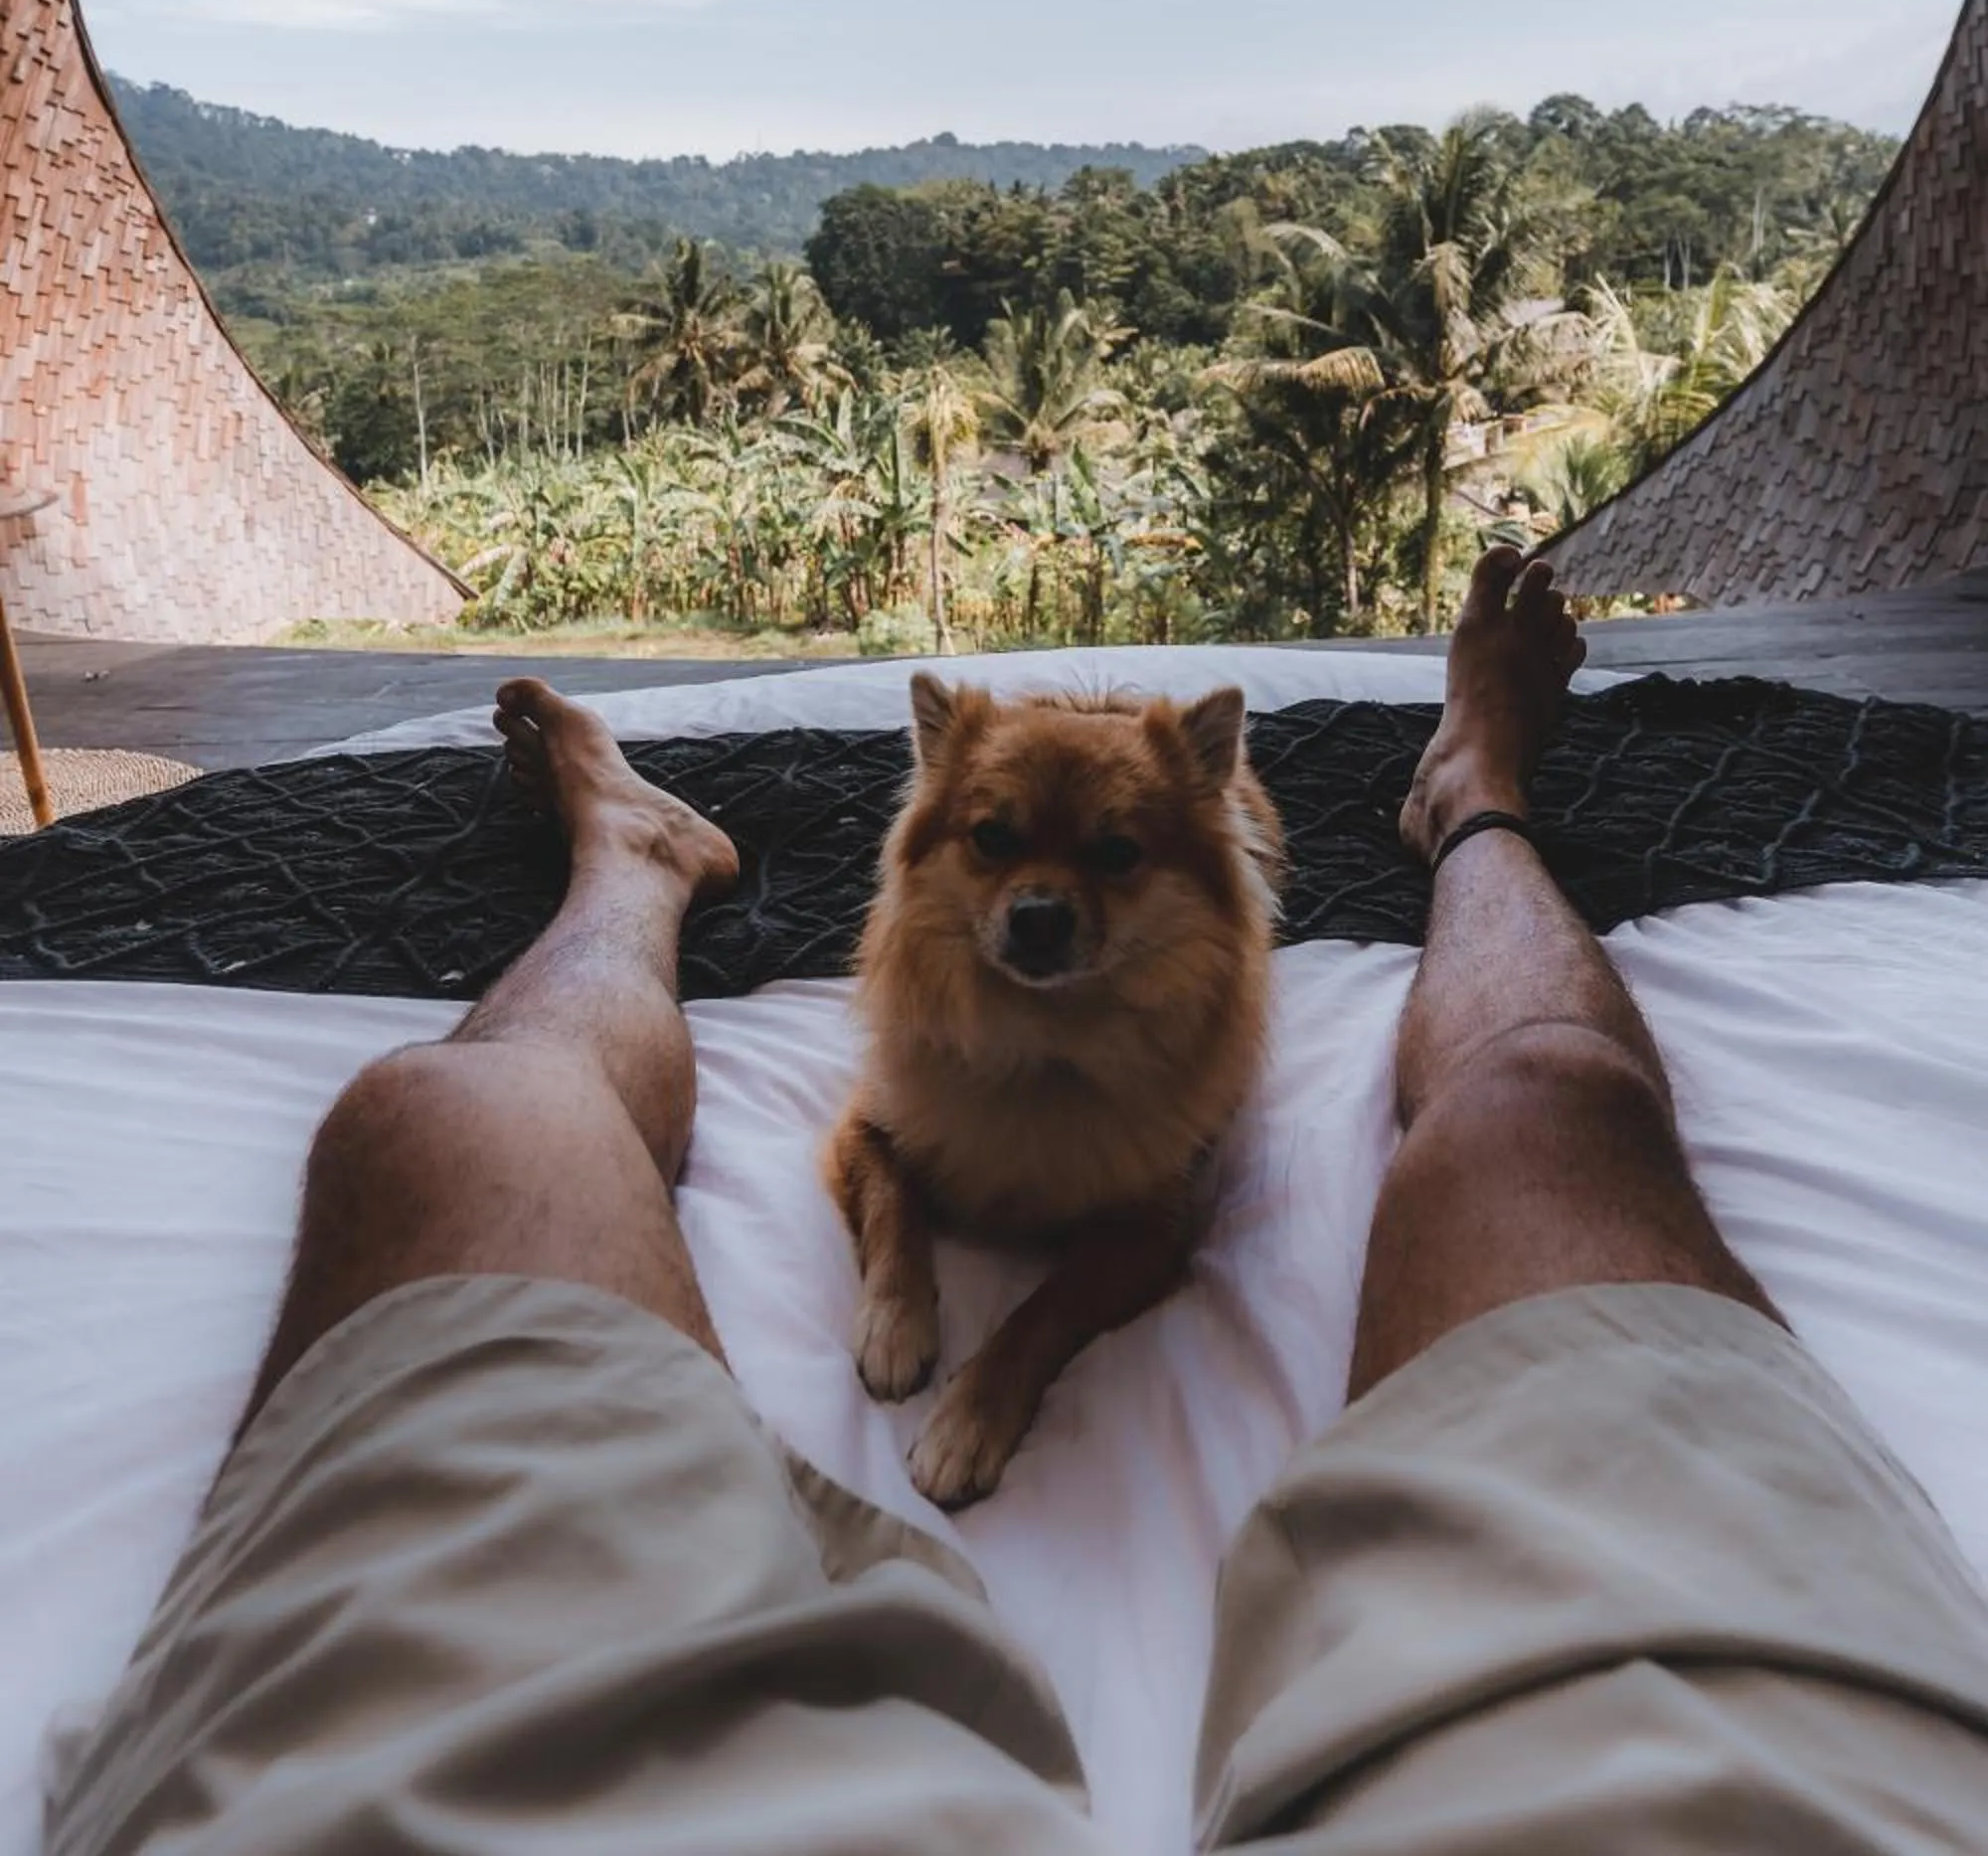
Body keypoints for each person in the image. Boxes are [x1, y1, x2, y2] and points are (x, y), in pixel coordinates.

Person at [47, 554, 1988, 1856]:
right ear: (941, 833)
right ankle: (643, 854)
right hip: (1744, 1752)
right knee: (1545, 1112)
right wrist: (900, 1262)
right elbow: (876, 1140)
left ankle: (1465, 783)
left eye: (1109, 858)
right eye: (996, 848)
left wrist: (1017, 1356)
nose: (1043, 898)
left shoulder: (1181, 941)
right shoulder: (943, 945)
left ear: (1194, 845)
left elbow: (1160, 1211)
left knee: (455, 1128)